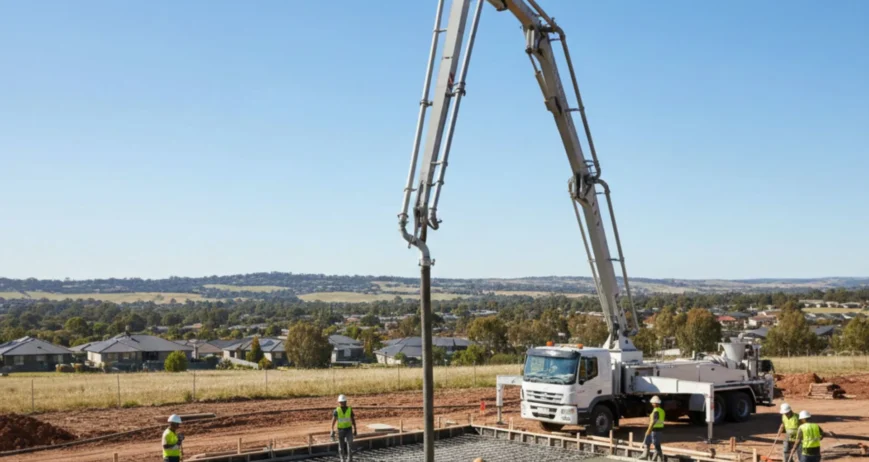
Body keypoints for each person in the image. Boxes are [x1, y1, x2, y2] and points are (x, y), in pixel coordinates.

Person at [330, 394, 357, 462]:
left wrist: (355, 429)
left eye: (343, 402)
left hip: (348, 429)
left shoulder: (349, 409)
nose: (342, 403)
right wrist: (332, 429)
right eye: (341, 402)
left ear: (345, 402)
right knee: (341, 446)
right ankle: (342, 459)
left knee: (349, 445)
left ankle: (350, 459)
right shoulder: (337, 410)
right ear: (339, 402)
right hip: (340, 430)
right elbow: (333, 420)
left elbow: (353, 419)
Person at [640, 396, 664, 461]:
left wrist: (649, 429)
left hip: (655, 429)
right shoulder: (661, 410)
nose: (652, 404)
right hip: (657, 429)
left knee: (656, 444)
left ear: (656, 403)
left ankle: (660, 458)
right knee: (647, 441)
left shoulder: (656, 410)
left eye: (653, 403)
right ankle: (646, 455)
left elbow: (654, 421)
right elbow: (659, 420)